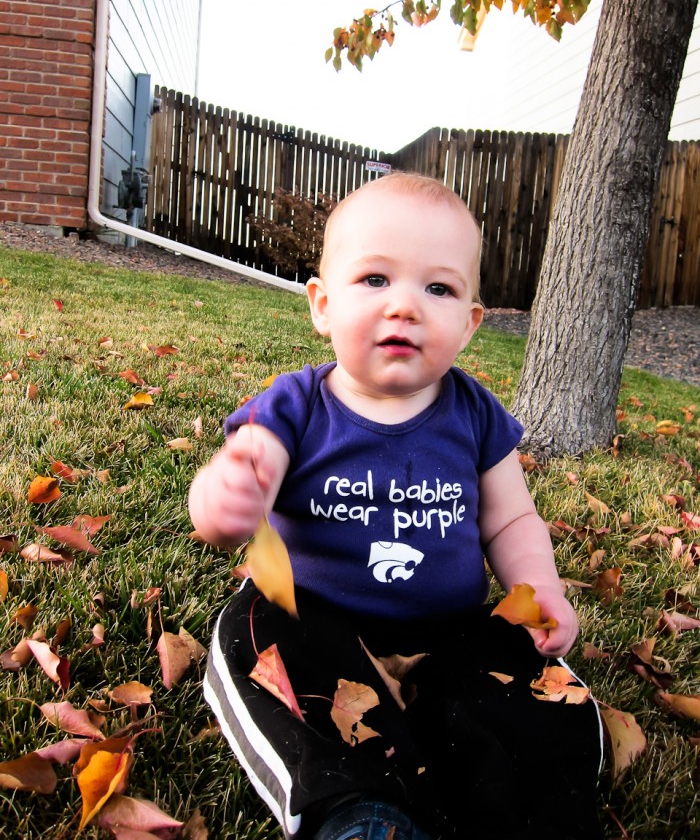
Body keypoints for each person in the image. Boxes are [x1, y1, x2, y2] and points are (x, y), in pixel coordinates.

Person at [189, 172, 603, 840]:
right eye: (375, 279)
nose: (405, 306)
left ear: (469, 322)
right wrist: (225, 498)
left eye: (437, 288)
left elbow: (511, 517)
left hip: (451, 635)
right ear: (322, 305)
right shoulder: (294, 404)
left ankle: (513, 811)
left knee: (527, 685)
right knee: (255, 631)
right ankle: (362, 811)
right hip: (322, 625)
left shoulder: (474, 413)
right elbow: (238, 484)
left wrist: (542, 586)